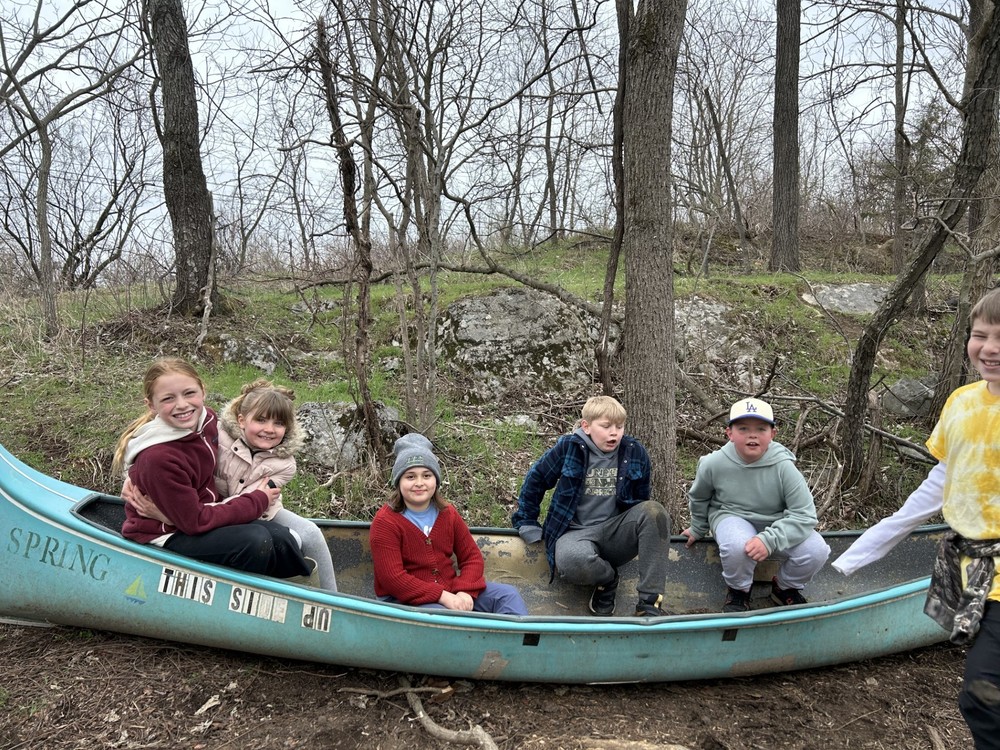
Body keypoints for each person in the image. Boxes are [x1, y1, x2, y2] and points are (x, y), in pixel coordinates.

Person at [832, 287, 1000, 750]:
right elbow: (940, 482)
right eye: (980, 335)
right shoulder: (962, 403)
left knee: (982, 698)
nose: (989, 348)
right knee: (984, 695)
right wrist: (865, 549)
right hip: (973, 572)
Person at [112, 358, 311, 579]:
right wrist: (259, 499)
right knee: (255, 540)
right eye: (168, 398)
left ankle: (297, 594)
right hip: (165, 533)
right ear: (152, 405)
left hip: (197, 515)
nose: (182, 405)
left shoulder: (206, 421)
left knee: (282, 538)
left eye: (189, 393)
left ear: (203, 391)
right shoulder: (159, 458)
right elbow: (195, 522)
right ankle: (236, 600)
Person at [511, 395, 671, 617]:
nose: (614, 432)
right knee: (570, 561)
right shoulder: (569, 447)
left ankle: (649, 604)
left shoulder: (635, 451)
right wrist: (526, 521)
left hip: (614, 530)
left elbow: (641, 501)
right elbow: (536, 479)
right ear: (586, 426)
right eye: (606, 426)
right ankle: (607, 579)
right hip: (575, 533)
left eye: (619, 426)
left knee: (655, 511)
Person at [682, 397, 830, 613]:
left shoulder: (784, 467)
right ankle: (739, 591)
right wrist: (697, 527)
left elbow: (805, 515)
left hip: (775, 522)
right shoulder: (714, 463)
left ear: (772, 434)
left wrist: (769, 540)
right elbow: (699, 496)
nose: (752, 435)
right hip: (731, 515)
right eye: (743, 428)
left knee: (816, 551)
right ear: (729, 433)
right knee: (737, 546)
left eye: (761, 429)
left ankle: (784, 587)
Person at [370, 434, 528, 615]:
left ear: (436, 480)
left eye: (427, 475)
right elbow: (393, 579)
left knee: (508, 595)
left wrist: (465, 591)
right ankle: (470, 640)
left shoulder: (447, 513)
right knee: (445, 616)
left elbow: (471, 557)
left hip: (450, 589)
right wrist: (442, 596)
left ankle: (516, 640)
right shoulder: (386, 522)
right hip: (402, 599)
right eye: (410, 477)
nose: (419, 483)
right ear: (398, 482)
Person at [212, 379, 337, 591]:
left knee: (308, 533)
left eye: (279, 423)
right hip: (212, 506)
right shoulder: (218, 438)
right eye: (261, 420)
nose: (269, 429)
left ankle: (332, 600)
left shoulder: (284, 464)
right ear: (242, 420)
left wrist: (205, 515)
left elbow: (250, 502)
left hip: (258, 511)